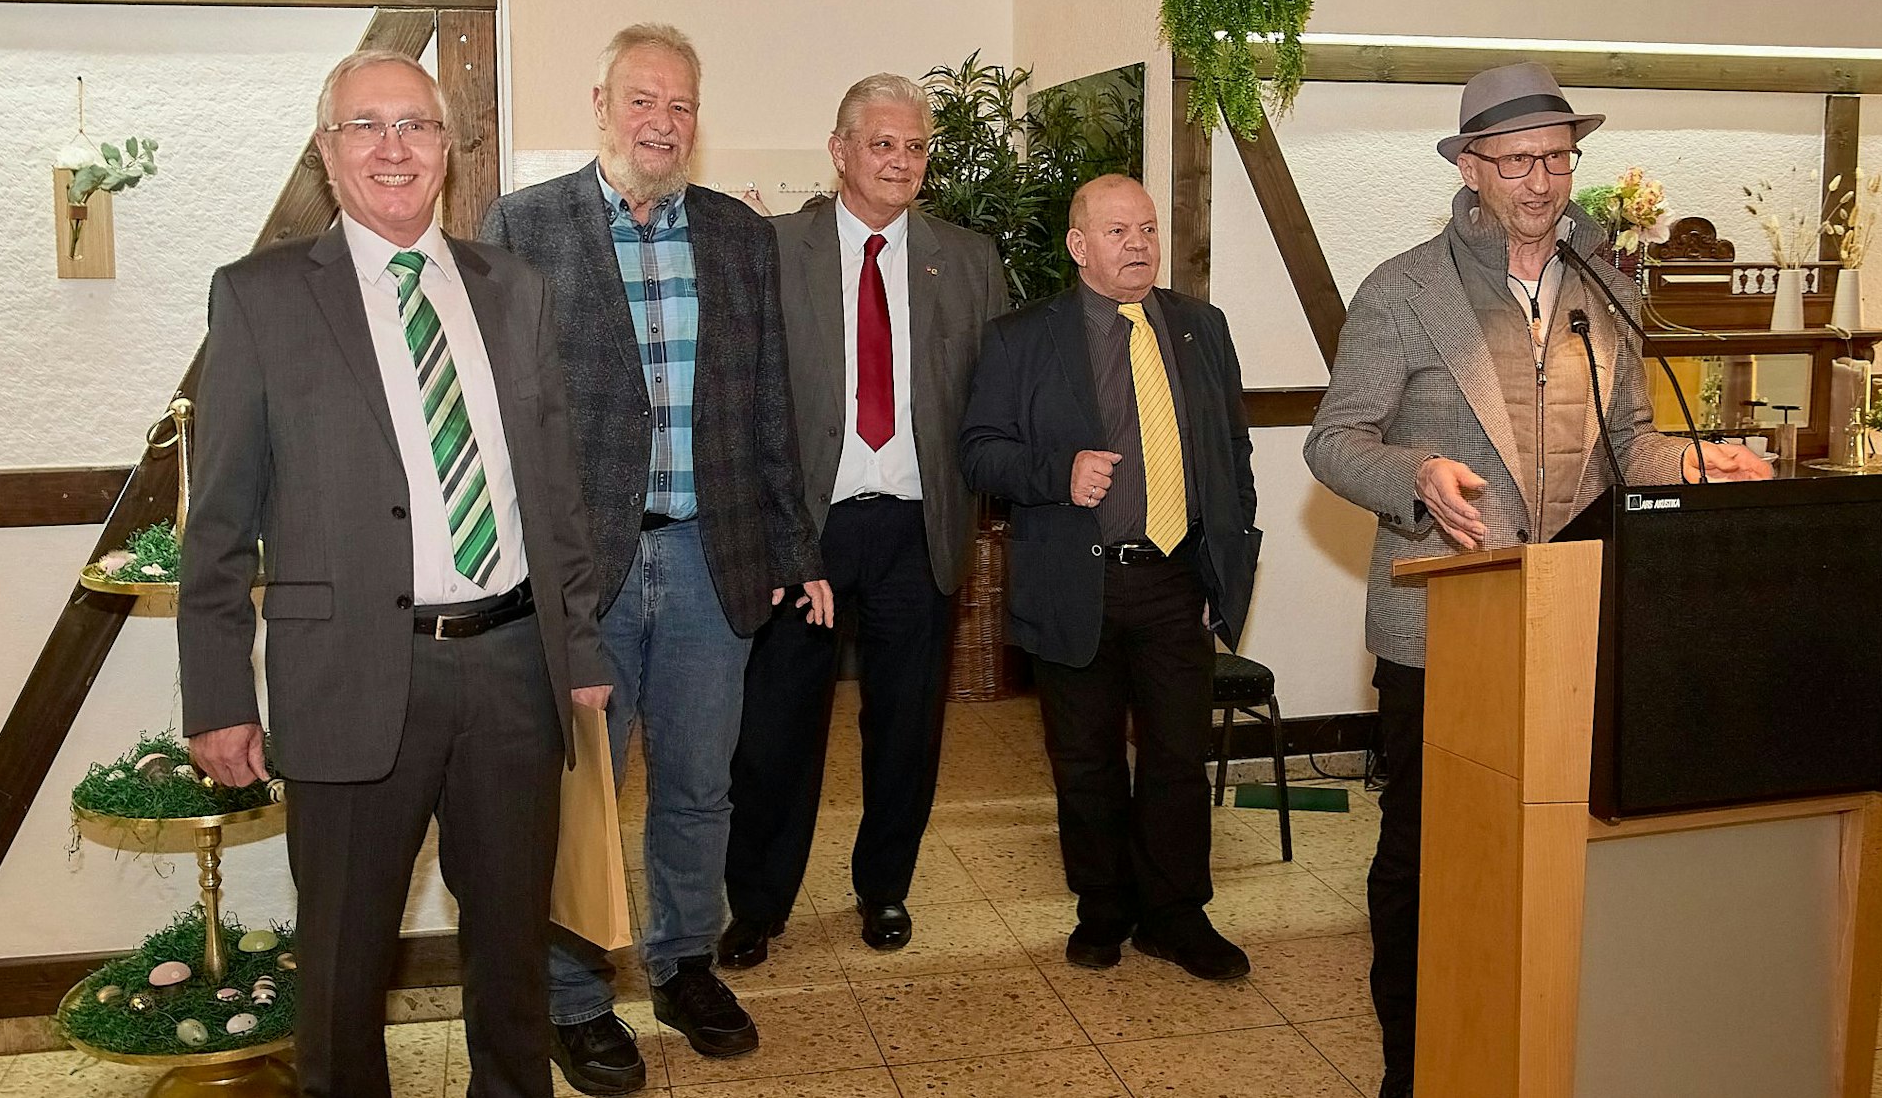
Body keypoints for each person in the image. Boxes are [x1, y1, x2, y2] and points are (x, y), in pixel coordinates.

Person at [1301, 61, 1771, 1098]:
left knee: (1563, 844)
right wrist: (1417, 475)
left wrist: (1695, 462)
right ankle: (1413, 1062)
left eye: (1559, 158)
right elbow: (1334, 441)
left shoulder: (1606, 287)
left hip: (1578, 622)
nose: (1542, 182)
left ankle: (1541, 1043)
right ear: (1471, 167)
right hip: (1444, 621)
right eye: (1518, 161)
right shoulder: (1404, 289)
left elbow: (1629, 444)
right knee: (1426, 855)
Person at [179, 50, 612, 1098]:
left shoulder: (514, 289)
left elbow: (551, 490)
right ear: (328, 154)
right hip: (351, 676)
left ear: (448, 153)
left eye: (415, 126)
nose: (393, 147)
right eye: (365, 126)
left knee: (513, 956)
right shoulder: (261, 299)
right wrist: (221, 694)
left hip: (515, 669)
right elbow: (220, 521)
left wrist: (582, 650)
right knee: (341, 964)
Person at [479, 22, 827, 1090]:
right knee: (578, 796)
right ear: (599, 106)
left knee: (698, 782)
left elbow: (768, 400)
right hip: (583, 575)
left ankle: (681, 961)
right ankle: (576, 995)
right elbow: (499, 410)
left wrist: (789, 542)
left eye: (680, 105)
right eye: (642, 101)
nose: (662, 123)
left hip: (709, 559)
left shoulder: (736, 235)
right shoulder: (525, 225)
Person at [721, 74, 1009, 967]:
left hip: (918, 532)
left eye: (915, 146)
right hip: (806, 530)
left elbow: (990, 404)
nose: (900, 161)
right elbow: (743, 399)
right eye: (881, 143)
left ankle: (884, 889)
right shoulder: (773, 249)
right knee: (777, 729)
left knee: (907, 728)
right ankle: (758, 905)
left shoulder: (967, 260)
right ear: (841, 151)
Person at [960, 174, 1261, 982]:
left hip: (1175, 580)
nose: (1138, 246)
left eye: (1149, 230)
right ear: (1079, 245)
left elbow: (1233, 454)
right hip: (1076, 582)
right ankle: (1103, 908)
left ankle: (1177, 915)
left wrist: (1228, 559)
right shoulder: (1023, 338)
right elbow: (979, 450)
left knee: (1174, 758)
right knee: (1085, 760)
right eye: (1120, 232)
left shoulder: (1201, 328)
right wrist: (1060, 473)